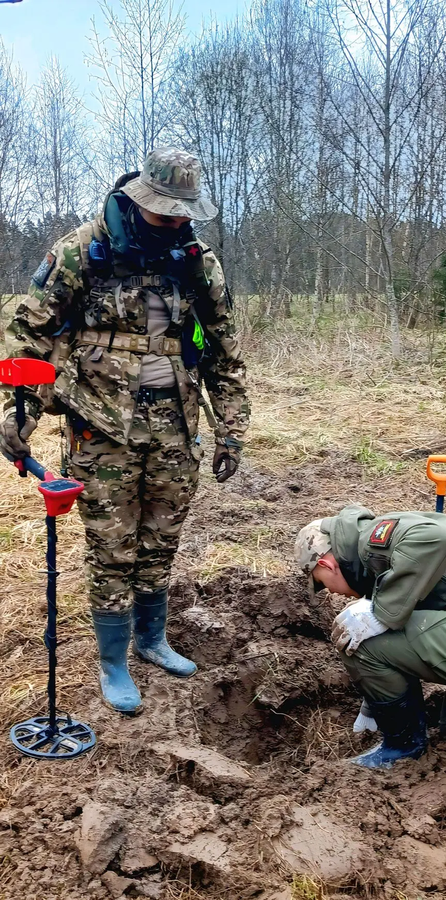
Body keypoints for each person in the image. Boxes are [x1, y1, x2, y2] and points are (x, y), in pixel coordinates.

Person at [0, 147, 249, 714]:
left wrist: (232, 430)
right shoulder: (83, 249)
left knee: (161, 538)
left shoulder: (196, 261)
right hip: (101, 423)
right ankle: (113, 660)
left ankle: (151, 639)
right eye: (166, 212)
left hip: (176, 423)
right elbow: (33, 334)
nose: (176, 222)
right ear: (139, 201)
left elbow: (225, 351)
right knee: (112, 546)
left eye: (184, 214)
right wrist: (20, 414)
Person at [294, 505, 446, 769]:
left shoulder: (373, 541)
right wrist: (372, 707)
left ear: (327, 564)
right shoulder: (375, 558)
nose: (331, 592)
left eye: (322, 583)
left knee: (362, 640)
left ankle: (403, 749)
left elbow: (437, 538)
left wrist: (381, 614)